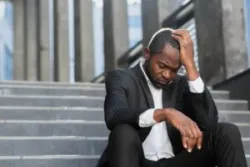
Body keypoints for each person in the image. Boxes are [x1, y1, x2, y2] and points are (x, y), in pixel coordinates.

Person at [96, 28, 248, 167]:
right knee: (123, 132)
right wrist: (165, 113)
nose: (167, 75)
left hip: (176, 162)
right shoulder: (122, 78)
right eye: (162, 66)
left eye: (174, 70)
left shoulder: (182, 84)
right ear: (147, 54)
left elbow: (209, 124)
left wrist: (190, 66)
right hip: (136, 161)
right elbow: (114, 115)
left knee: (227, 132)